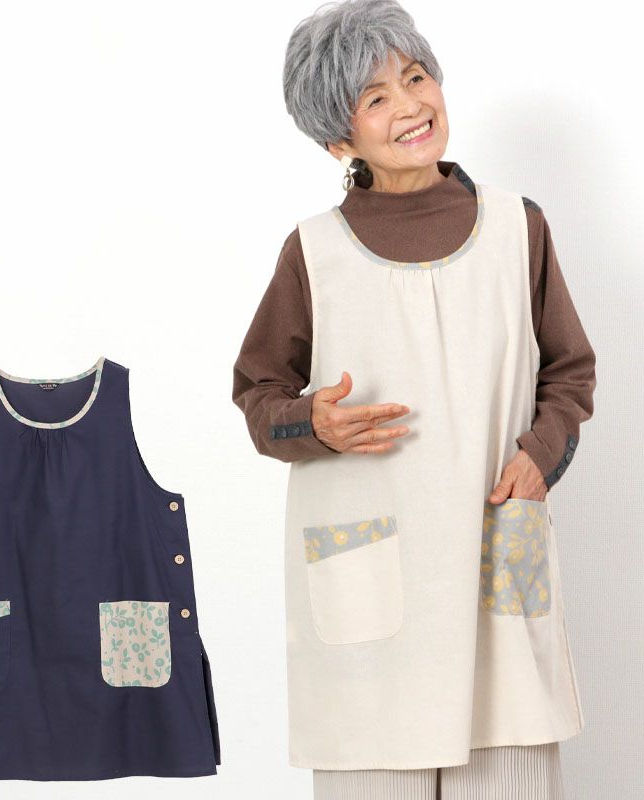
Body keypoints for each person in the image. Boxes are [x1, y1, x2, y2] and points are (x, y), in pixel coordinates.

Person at [231, 1, 597, 798]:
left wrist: (539, 459)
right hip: (371, 610)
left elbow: (570, 372)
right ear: (339, 140)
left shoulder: (518, 228)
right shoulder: (313, 253)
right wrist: (312, 421)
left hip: (497, 567)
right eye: (376, 98)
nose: (409, 106)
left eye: (416, 77)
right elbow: (258, 393)